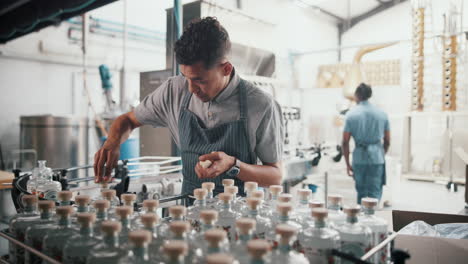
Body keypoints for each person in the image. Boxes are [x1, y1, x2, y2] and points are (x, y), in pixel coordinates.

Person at [93, 17, 283, 196]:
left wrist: (234, 165)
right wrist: (112, 142)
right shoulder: (173, 91)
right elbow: (127, 120)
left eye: (199, 80)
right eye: (186, 78)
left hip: (240, 220)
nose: (191, 89)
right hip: (190, 215)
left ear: (226, 69)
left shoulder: (261, 105)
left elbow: (275, 176)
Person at [342, 83, 390, 204]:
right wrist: (381, 154)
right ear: (370, 95)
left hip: (359, 158)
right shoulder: (382, 114)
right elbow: (388, 140)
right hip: (377, 158)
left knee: (361, 193)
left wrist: (347, 164)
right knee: (374, 193)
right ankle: (374, 219)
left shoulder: (350, 115)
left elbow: (345, 142)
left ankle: (362, 221)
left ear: (356, 96)